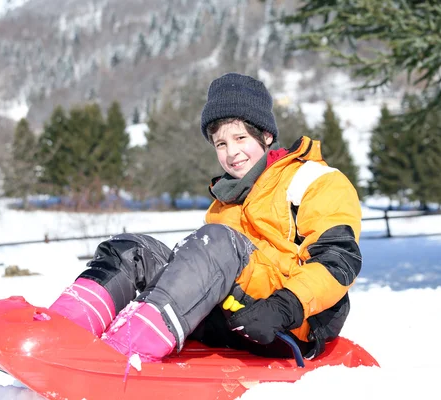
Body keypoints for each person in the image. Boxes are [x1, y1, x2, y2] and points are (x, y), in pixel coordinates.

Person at [46, 72, 362, 362]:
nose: (231, 153)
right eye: (221, 143)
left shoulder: (313, 180)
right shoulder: (226, 200)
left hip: (284, 323)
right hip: (224, 316)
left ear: (265, 136)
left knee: (218, 242)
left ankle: (125, 350)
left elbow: (339, 262)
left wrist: (286, 305)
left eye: (240, 138)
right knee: (135, 250)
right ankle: (63, 331)